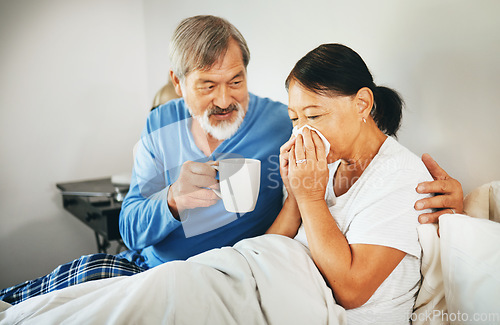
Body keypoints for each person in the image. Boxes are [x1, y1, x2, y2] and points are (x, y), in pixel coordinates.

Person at [0, 15, 463, 306]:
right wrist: (173, 202)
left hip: (228, 277)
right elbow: (129, 227)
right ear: (178, 84)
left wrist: (452, 207)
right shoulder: (158, 127)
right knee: (55, 293)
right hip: (156, 263)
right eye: (207, 85)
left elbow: (372, 152)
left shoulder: (281, 127)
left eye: (236, 80)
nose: (225, 99)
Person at [266, 43, 433, 323]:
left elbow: (351, 290)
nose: (300, 132)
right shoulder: (319, 167)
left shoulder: (401, 175)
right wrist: (296, 195)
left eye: (314, 116)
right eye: (295, 119)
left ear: (362, 104)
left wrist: (311, 198)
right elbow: (268, 253)